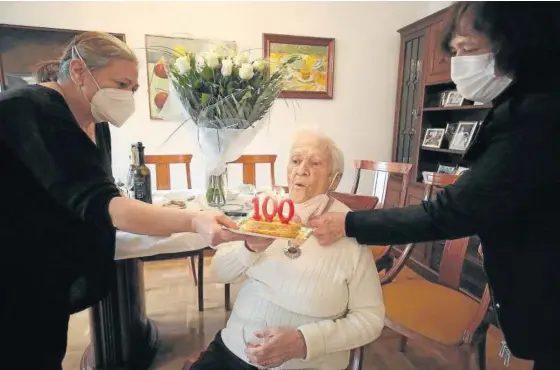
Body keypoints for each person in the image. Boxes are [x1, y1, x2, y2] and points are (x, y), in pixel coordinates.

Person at [308, 3, 560, 369]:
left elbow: (452, 212)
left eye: (469, 49)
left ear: (519, 43)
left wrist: (349, 224)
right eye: (454, 52)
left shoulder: (535, 116)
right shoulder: (526, 105)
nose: (459, 63)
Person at [0, 31, 246, 369]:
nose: (127, 95)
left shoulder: (92, 121)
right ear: (78, 71)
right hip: (15, 273)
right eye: (121, 83)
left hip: (45, 279)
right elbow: (109, 205)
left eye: (133, 88)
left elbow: (96, 192)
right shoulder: (29, 110)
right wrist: (193, 219)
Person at [188, 130, 385, 370]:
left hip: (307, 363)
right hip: (235, 351)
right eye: (295, 160)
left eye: (315, 163)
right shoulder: (267, 212)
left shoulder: (348, 229)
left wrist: (304, 342)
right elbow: (220, 273)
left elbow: (370, 319)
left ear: (334, 178)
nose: (301, 170)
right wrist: (249, 247)